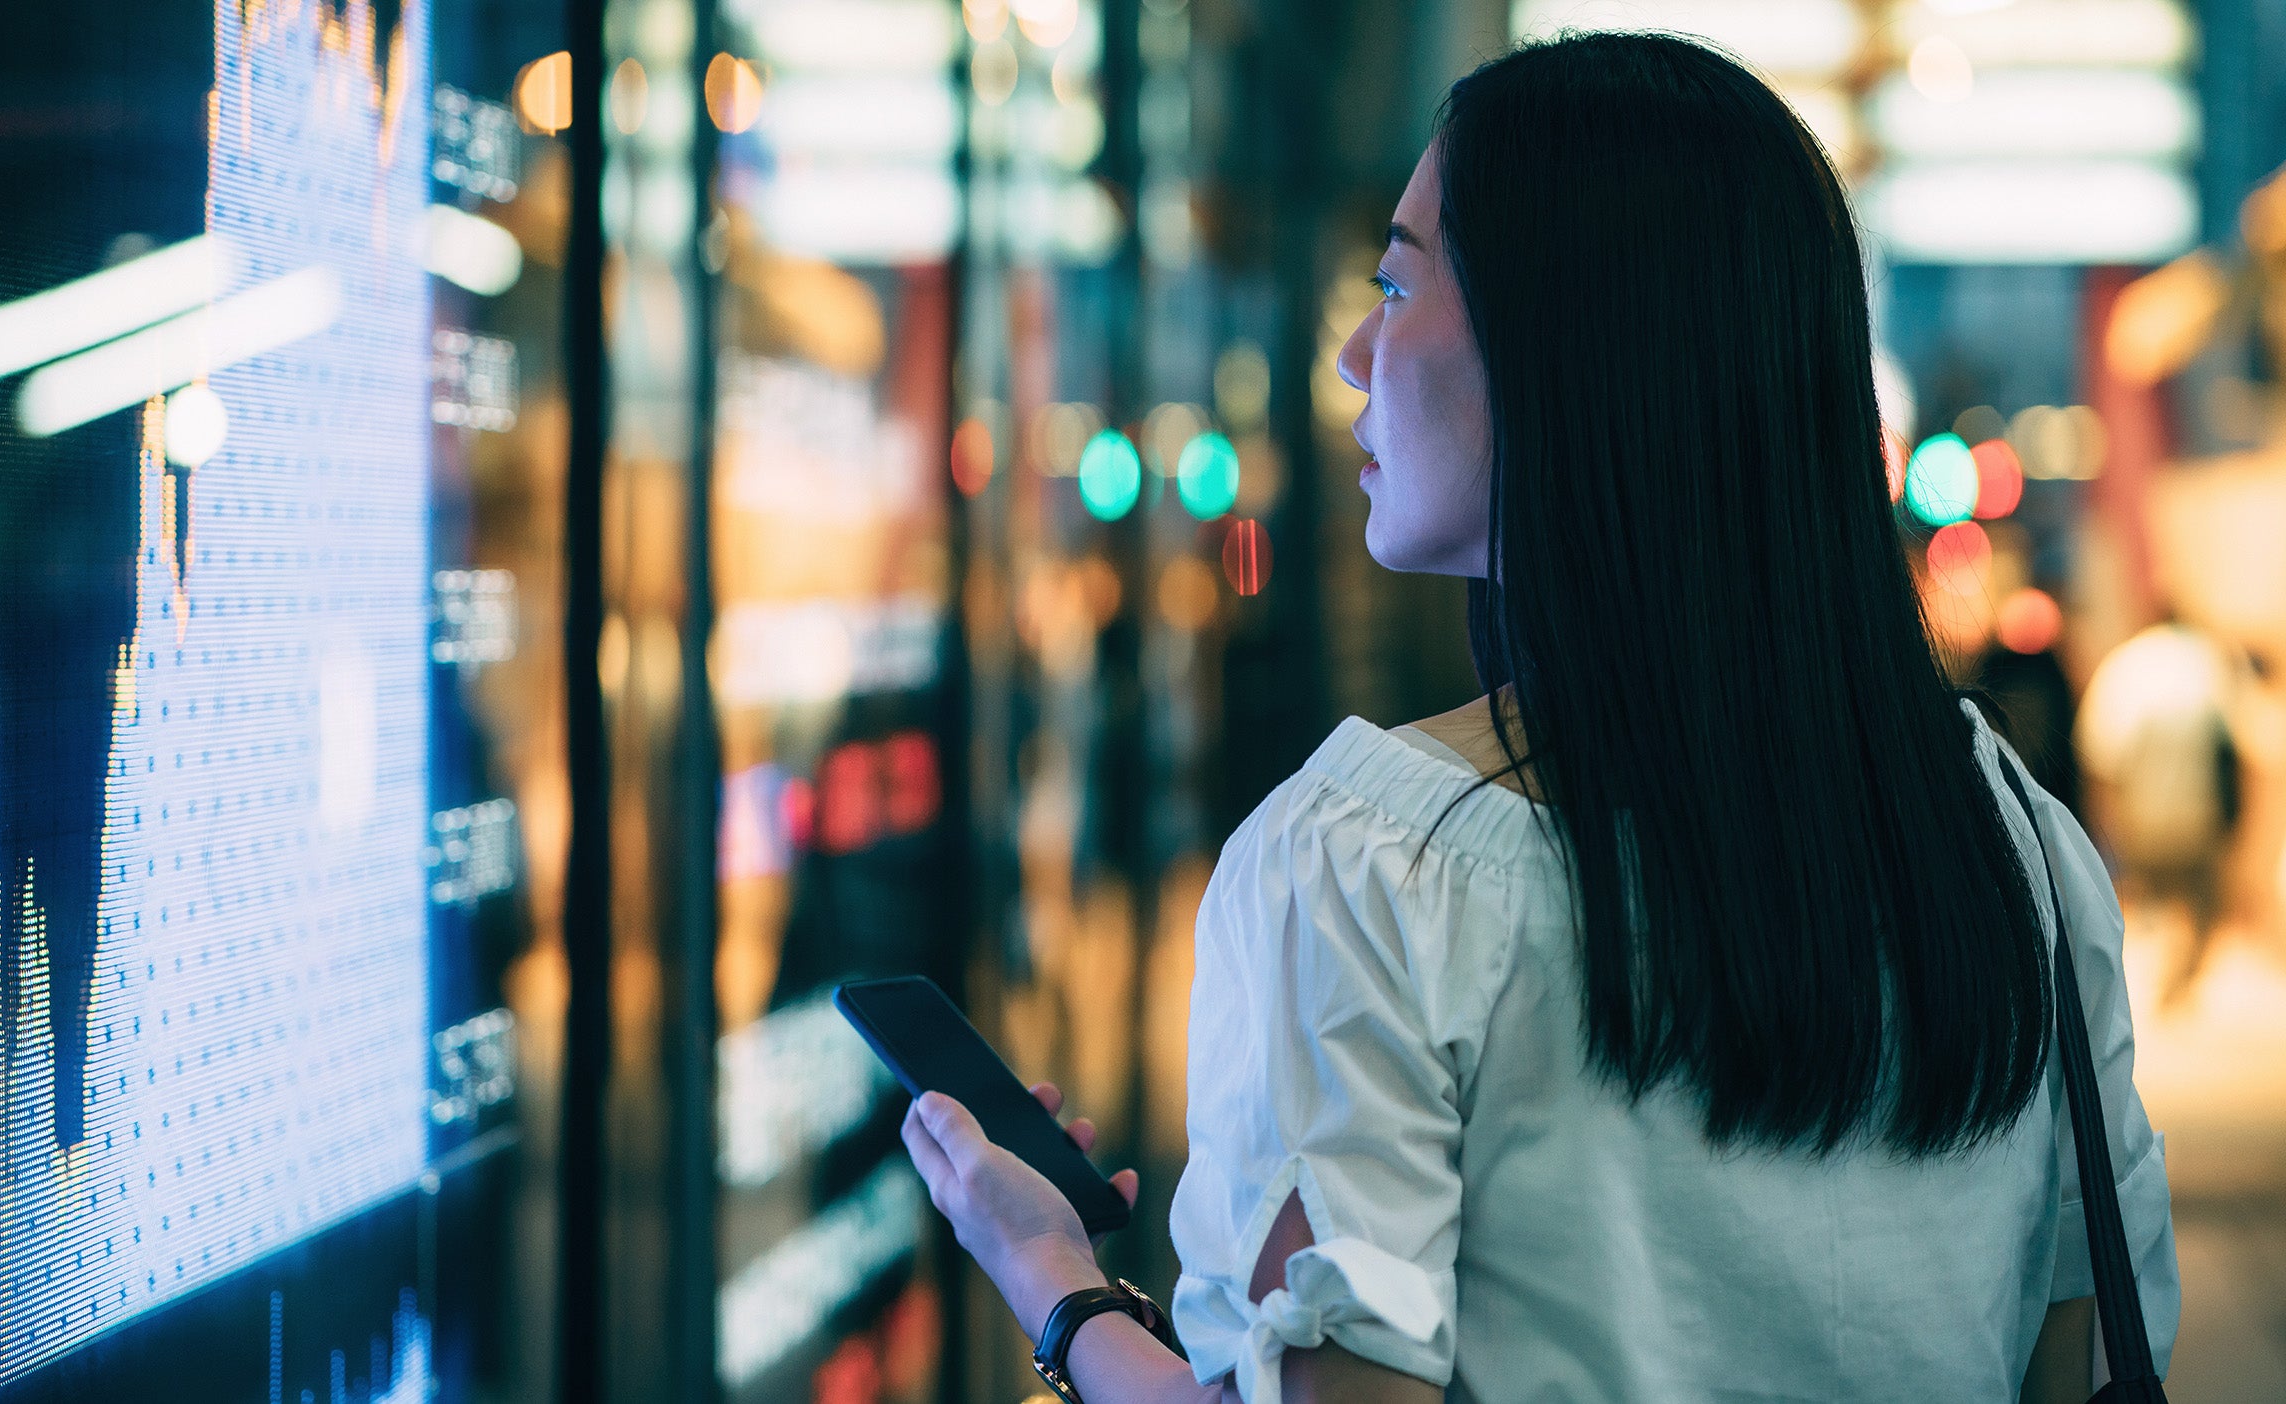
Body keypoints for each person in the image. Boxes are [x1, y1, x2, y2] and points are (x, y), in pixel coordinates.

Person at [899, 32, 2179, 1404]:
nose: (1349, 352)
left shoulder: (1367, 873)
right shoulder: (2012, 845)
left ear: (1570, 342)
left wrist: (1049, 1275)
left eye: (1394, 281)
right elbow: (2079, 1362)